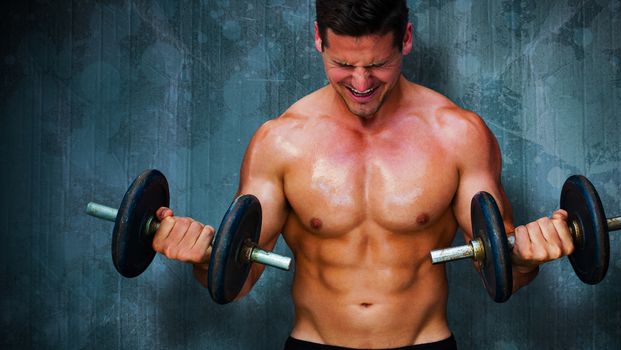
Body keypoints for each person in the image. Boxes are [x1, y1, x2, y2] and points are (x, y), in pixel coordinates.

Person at [151, 1, 574, 349]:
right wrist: (204, 257)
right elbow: (237, 281)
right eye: (342, 64)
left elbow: (501, 272)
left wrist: (527, 255)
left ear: (405, 40)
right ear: (318, 38)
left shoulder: (459, 135)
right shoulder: (280, 142)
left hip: (424, 344)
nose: (360, 82)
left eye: (377, 64)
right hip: (314, 344)